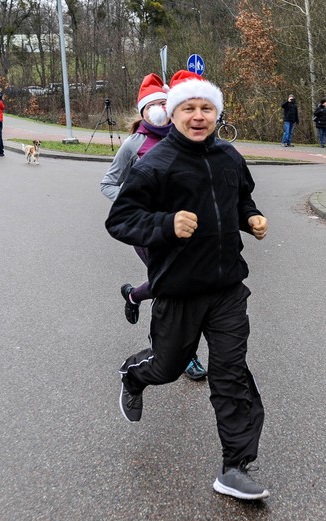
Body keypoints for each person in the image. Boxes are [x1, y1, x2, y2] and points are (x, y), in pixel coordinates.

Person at [106, 70, 270, 501]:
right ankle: (134, 376)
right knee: (168, 367)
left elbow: (240, 199)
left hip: (227, 289)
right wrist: (165, 223)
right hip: (178, 290)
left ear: (217, 113)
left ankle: (235, 466)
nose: (198, 117)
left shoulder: (230, 157)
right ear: (173, 113)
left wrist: (249, 218)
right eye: (189, 109)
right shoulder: (155, 164)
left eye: (206, 108)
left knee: (231, 373)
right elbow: (120, 220)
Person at [100, 73, 208, 381]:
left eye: (165, 103)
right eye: (154, 104)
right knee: (177, 289)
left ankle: (134, 296)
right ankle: (183, 354)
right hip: (147, 231)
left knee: (178, 285)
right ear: (143, 111)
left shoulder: (186, 138)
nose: (160, 109)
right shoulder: (134, 144)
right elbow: (108, 182)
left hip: (184, 230)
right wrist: (135, 201)